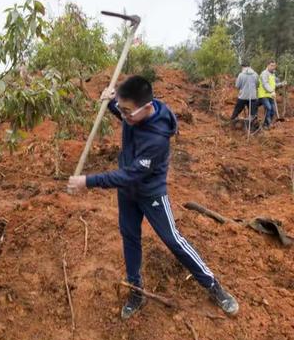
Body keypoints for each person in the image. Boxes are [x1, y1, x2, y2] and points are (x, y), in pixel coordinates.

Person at [67, 75, 239, 319]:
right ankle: (135, 290)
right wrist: (109, 103)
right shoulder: (133, 113)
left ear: (147, 107)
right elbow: (125, 114)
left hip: (150, 193)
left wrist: (88, 181)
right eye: (122, 110)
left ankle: (212, 285)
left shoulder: (157, 139)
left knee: (172, 240)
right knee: (130, 238)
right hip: (127, 194)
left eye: (127, 111)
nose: (123, 116)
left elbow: (129, 175)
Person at [258, 60, 285, 129]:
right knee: (268, 108)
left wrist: (281, 84)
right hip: (263, 95)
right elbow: (265, 84)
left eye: (274, 66)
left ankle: (266, 124)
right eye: (271, 65)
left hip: (271, 96)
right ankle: (268, 124)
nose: (273, 67)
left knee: (273, 110)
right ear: (267, 65)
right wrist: (271, 91)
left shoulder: (272, 74)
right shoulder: (264, 74)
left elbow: (273, 85)